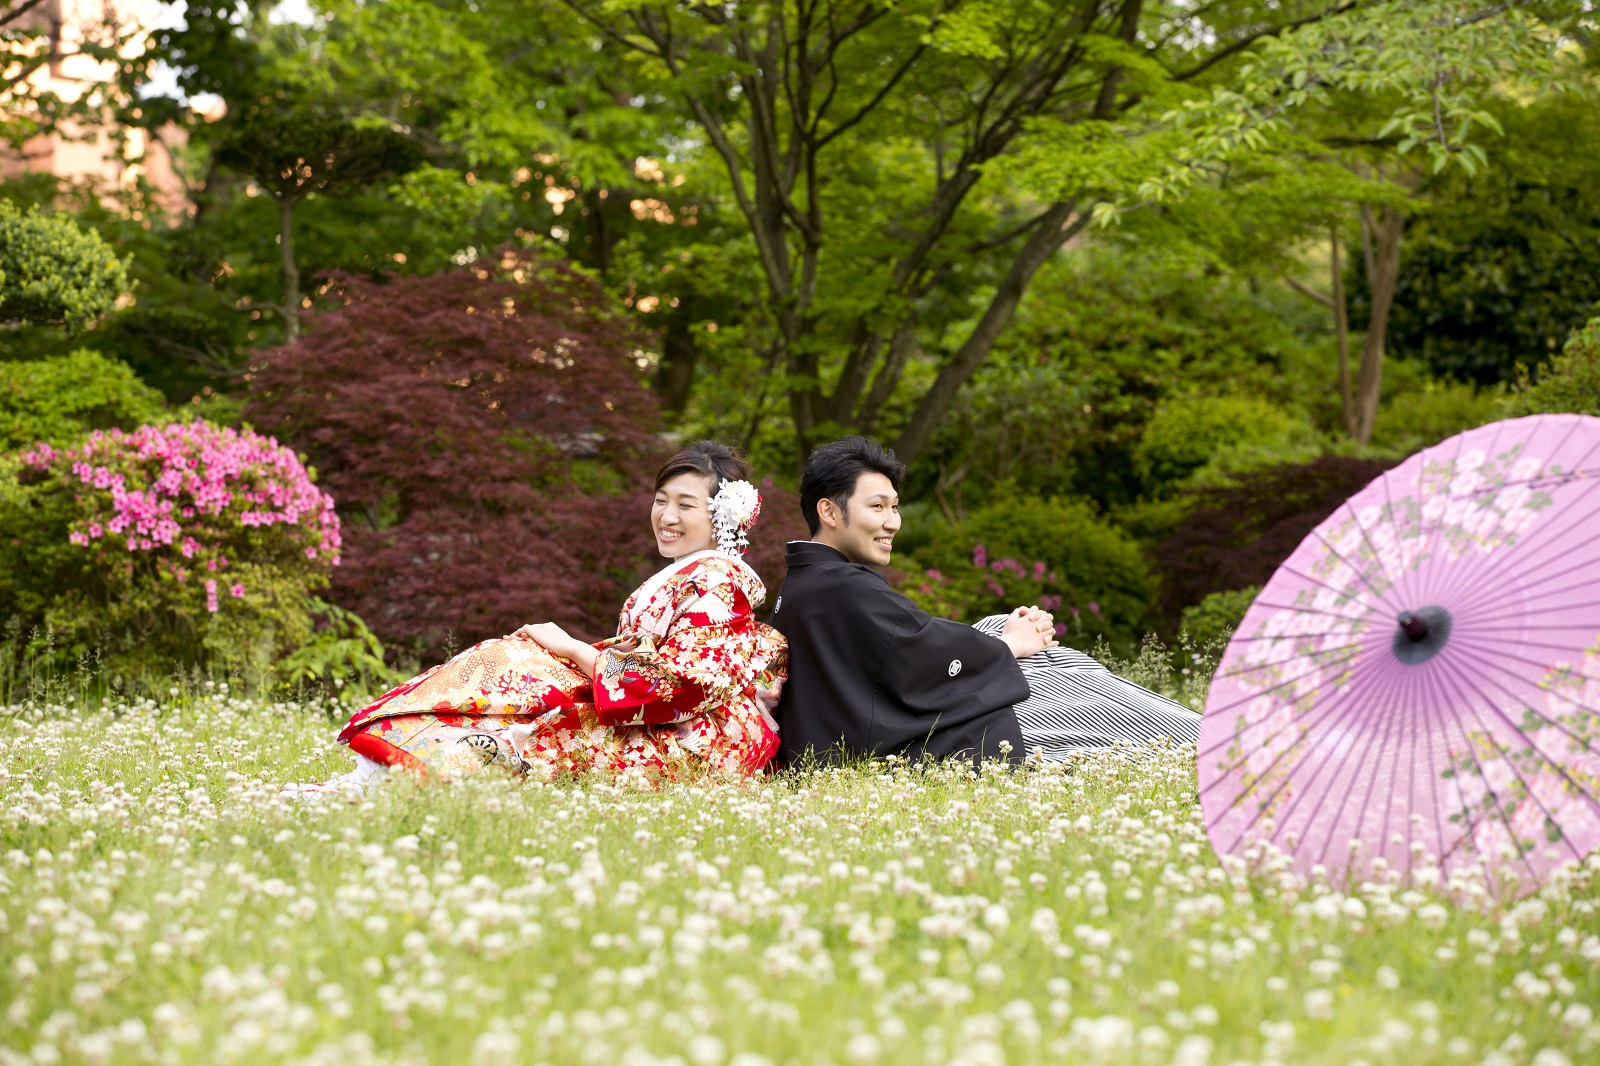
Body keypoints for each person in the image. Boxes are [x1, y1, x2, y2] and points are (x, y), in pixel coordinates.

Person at [284, 442, 786, 795]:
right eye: (661, 500)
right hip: (646, 706)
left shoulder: (718, 582)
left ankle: (382, 782)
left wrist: (571, 649)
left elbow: (682, 683)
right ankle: (377, 776)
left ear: (721, 518)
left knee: (538, 722)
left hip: (692, 734)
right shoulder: (693, 573)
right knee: (514, 661)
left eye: (685, 505)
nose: (667, 516)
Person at [771, 436, 1200, 766]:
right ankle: (1199, 734)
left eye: (895, 507)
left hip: (877, 726)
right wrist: (1013, 644)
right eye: (878, 507)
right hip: (915, 744)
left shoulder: (808, 580)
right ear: (829, 512)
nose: (892, 522)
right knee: (1067, 676)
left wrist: (1006, 637)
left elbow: (904, 646)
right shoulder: (840, 586)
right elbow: (916, 656)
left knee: (1010, 633)